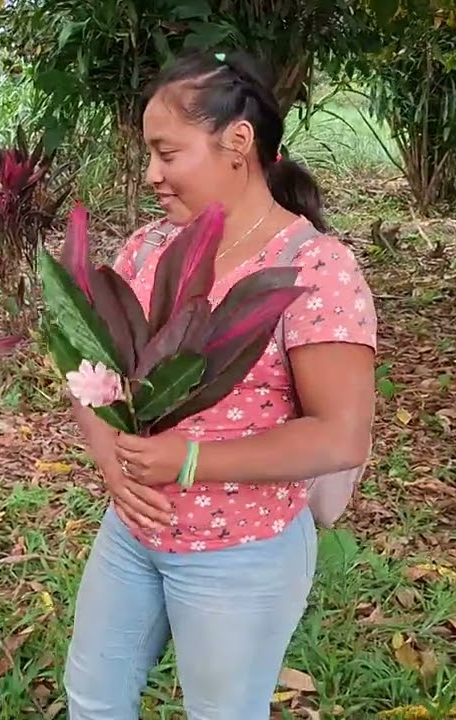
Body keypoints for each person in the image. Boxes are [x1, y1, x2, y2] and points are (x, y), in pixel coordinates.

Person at [62, 50, 377, 719]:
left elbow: (341, 436)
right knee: (93, 699)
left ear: (238, 143)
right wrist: (110, 466)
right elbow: (88, 372)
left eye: (167, 153)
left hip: (243, 551)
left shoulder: (313, 267)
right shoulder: (146, 251)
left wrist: (194, 460)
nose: (152, 175)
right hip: (132, 531)